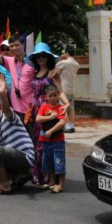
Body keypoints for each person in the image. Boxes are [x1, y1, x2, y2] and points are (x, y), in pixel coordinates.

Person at [0, 75, 35, 195]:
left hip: (24, 157)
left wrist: (2, 94)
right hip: (9, 157)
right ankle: (17, 176)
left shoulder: (8, 117)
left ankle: (5, 184)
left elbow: (6, 109)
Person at [24, 42, 68, 185]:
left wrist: (67, 104)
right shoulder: (35, 73)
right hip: (38, 111)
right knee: (38, 142)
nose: (41, 58)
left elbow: (59, 91)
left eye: (43, 55)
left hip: (49, 110)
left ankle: (52, 177)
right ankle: (40, 175)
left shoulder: (52, 73)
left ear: (48, 57)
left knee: (49, 143)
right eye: (38, 56)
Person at [0, 20, 35, 120]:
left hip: (31, 108)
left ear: (23, 45)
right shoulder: (9, 61)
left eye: (16, 45)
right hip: (15, 108)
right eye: (11, 46)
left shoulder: (32, 61)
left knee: (31, 135)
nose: (14, 48)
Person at [36, 84, 67, 193]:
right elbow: (38, 119)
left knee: (59, 162)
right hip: (45, 140)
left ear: (58, 95)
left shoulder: (60, 108)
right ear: (46, 97)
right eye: (50, 96)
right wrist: (50, 117)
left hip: (57, 140)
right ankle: (51, 182)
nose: (53, 98)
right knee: (48, 162)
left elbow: (62, 122)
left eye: (55, 95)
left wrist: (51, 131)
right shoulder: (44, 107)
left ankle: (61, 184)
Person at [53, 46, 79, 132]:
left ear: (67, 53)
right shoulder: (76, 64)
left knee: (63, 106)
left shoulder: (64, 63)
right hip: (72, 88)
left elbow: (56, 72)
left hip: (63, 88)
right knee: (71, 107)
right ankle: (72, 125)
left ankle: (67, 125)